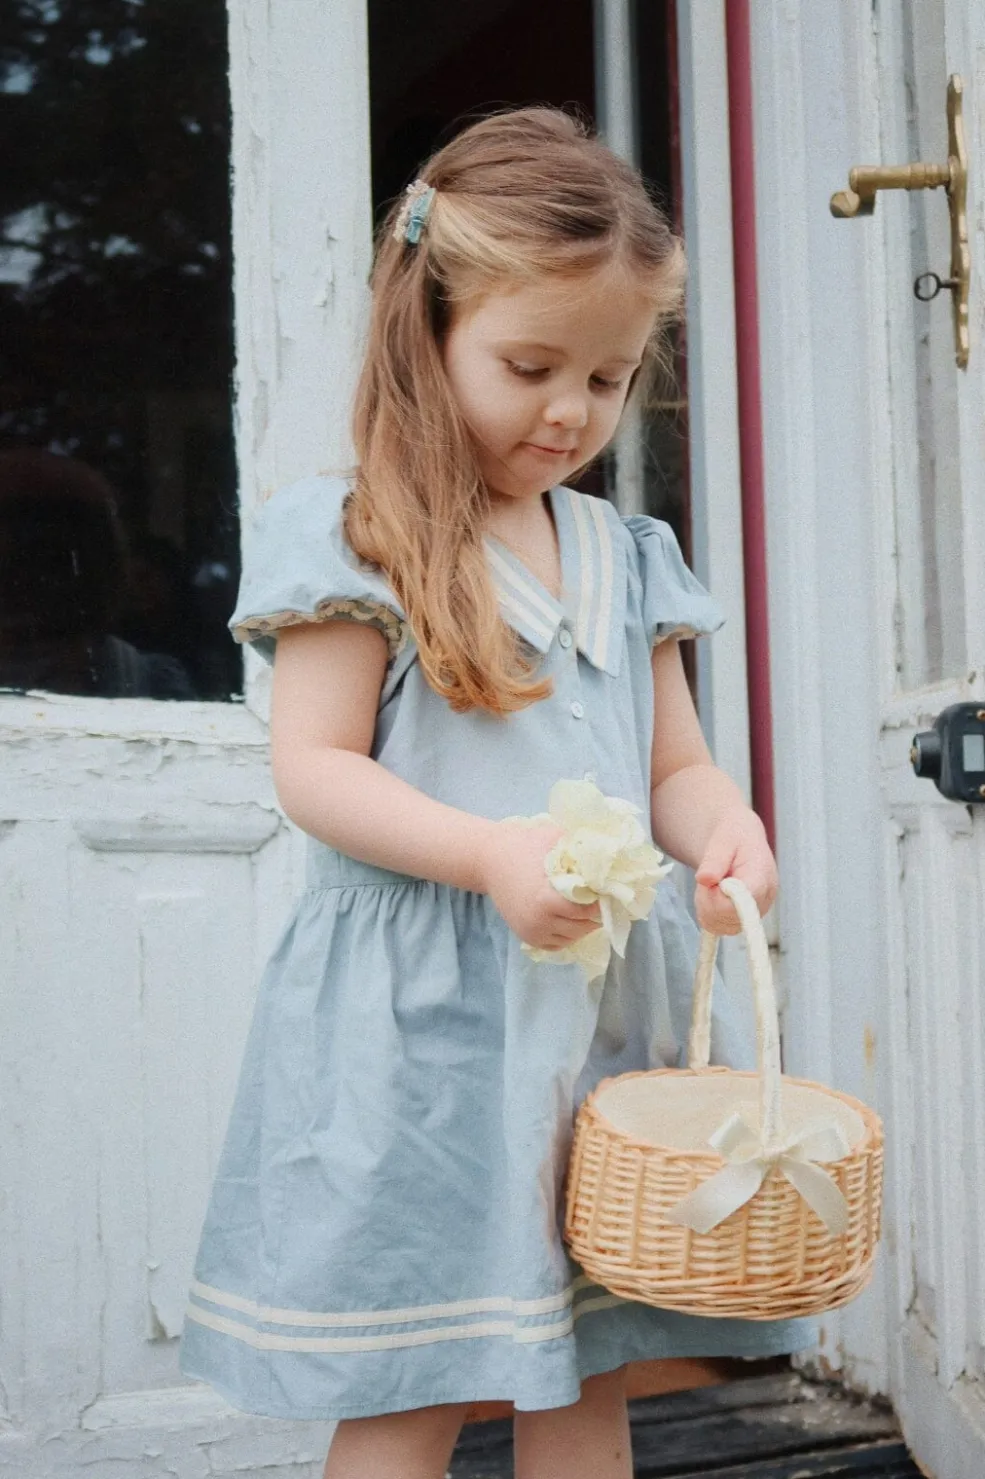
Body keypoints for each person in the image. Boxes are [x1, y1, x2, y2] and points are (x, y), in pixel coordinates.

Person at [178, 108, 814, 1479]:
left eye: (610, 376)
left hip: (594, 1029)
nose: (572, 411)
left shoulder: (625, 553)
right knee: (413, 1385)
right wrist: (487, 857)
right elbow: (314, 767)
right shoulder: (360, 535)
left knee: (586, 1370)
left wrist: (728, 834)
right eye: (531, 367)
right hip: (425, 1036)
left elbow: (675, 767)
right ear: (431, 332)